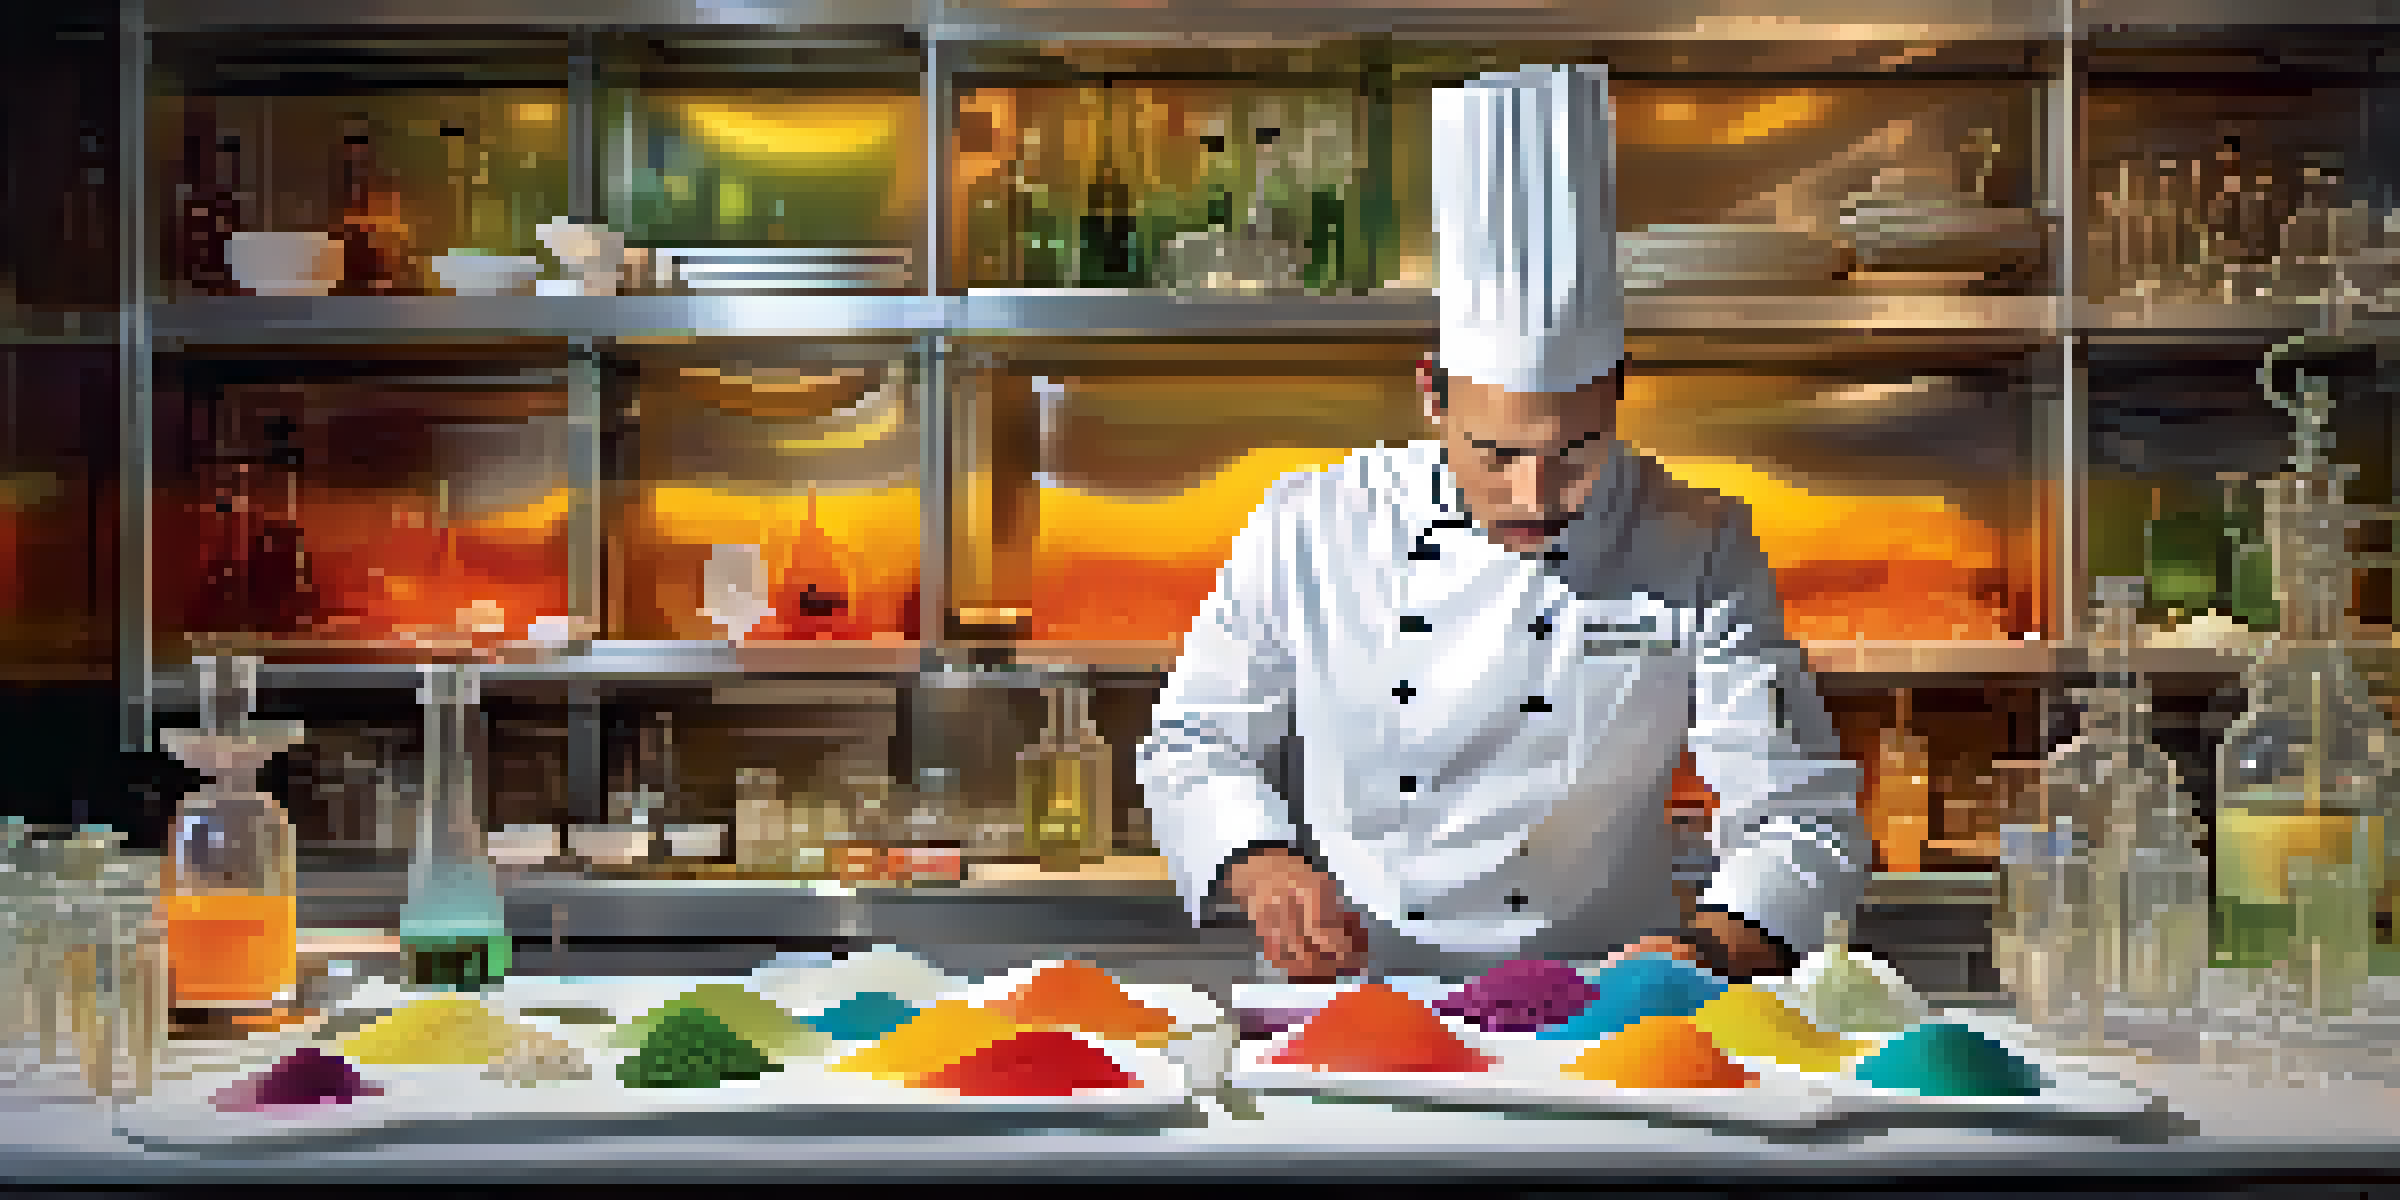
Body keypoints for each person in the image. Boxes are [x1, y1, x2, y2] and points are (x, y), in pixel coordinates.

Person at [1136, 64, 1868, 984]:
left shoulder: (1699, 542)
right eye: (1495, 454)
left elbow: (1801, 814)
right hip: (1359, 1006)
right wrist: (1260, 862)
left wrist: (1710, 947)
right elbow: (1194, 741)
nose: (1535, 495)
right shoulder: (1311, 527)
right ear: (1430, 393)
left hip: (1607, 1012)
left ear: (1618, 392)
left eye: (1575, 451)